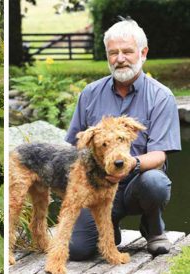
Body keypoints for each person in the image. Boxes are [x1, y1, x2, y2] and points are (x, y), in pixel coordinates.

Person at [65, 18, 181, 260]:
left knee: (156, 183)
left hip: (138, 183)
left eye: (127, 51)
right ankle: (111, 226)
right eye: (113, 53)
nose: (120, 59)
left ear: (143, 52)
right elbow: (72, 148)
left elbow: (160, 154)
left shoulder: (161, 96)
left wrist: (130, 165)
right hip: (97, 186)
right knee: (77, 250)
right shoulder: (90, 94)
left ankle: (152, 226)